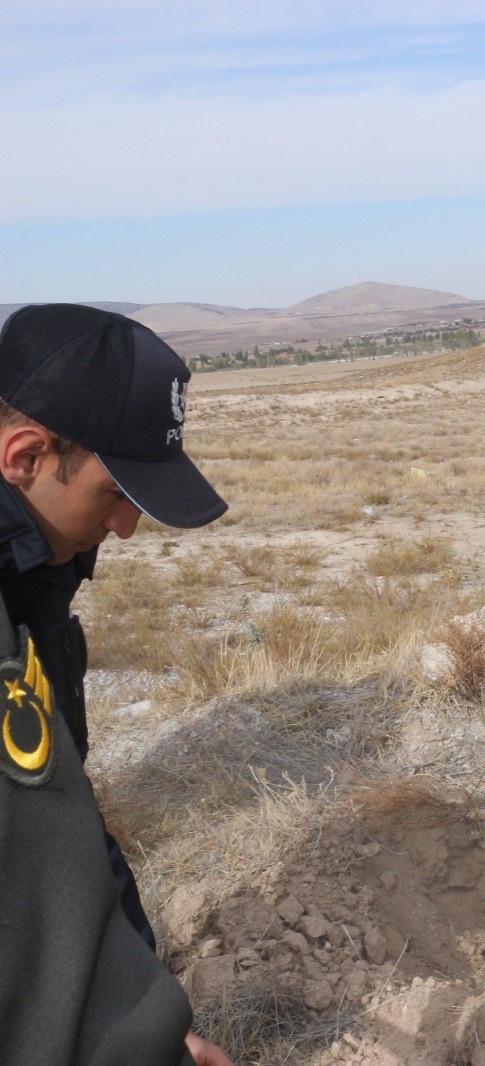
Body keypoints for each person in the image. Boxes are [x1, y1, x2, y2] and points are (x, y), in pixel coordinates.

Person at [0, 303, 234, 1065]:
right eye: (114, 494)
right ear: (25, 456)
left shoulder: (35, 581)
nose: (129, 528)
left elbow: (68, 828)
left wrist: (147, 1013)